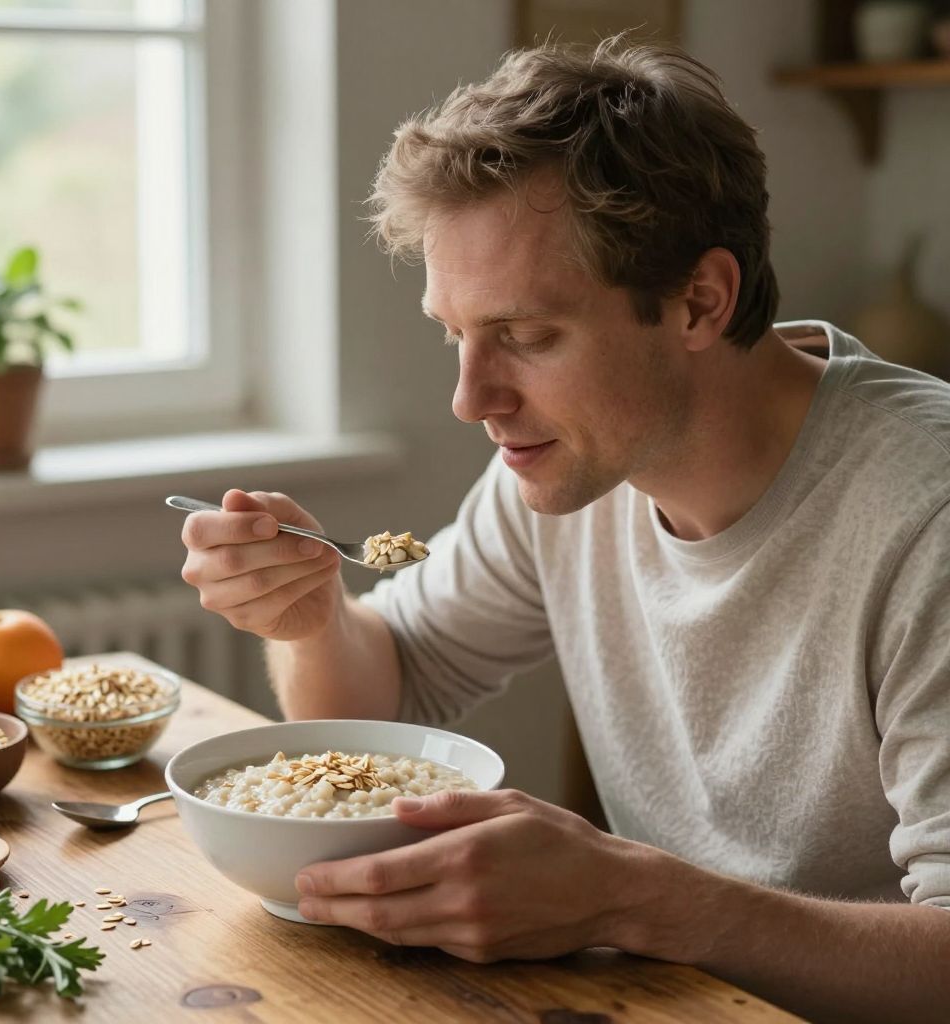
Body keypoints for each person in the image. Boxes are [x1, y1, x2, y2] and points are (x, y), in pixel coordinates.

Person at [179, 37, 950, 1024]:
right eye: (453, 333)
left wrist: (629, 896)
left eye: (528, 336)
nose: (469, 398)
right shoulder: (571, 465)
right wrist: (310, 614)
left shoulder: (923, 514)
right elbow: (389, 681)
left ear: (698, 301)